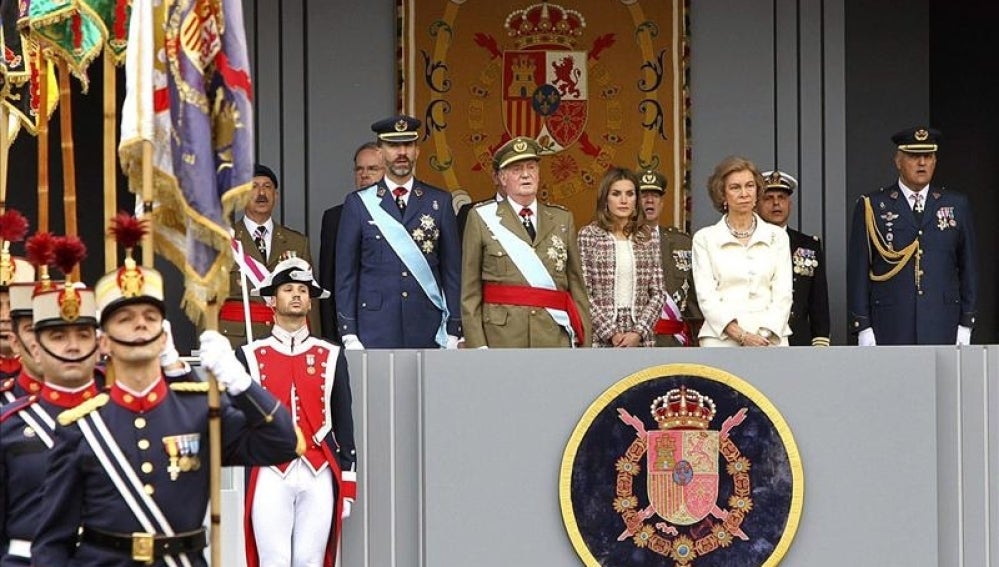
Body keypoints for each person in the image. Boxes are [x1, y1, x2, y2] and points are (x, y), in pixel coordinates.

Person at [30, 237, 300, 566]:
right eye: (125, 318)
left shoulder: (201, 410)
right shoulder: (81, 426)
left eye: (149, 316)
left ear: (164, 336)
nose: (140, 324)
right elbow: (53, 541)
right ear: (104, 342)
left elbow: (283, 443)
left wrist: (239, 381)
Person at [237, 258, 356, 567]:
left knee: (310, 559)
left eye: (302, 290)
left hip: (319, 468)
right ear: (272, 300)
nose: (296, 295)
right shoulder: (250, 355)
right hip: (269, 470)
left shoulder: (330, 354)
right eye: (287, 289)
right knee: (272, 559)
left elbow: (344, 419)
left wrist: (349, 479)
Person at [0, 269, 104, 566]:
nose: (71, 347)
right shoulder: (9, 423)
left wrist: (175, 368)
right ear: (28, 345)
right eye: (56, 336)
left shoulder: (112, 414)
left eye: (83, 335)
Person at [335, 115, 462, 349]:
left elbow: (452, 271)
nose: (401, 152)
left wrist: (454, 328)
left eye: (408, 145)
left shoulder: (439, 201)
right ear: (381, 153)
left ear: (417, 151)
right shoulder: (358, 203)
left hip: (428, 324)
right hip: (375, 326)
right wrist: (348, 332)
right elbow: (346, 275)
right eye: (393, 145)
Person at [848, 127, 977, 345]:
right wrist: (863, 325)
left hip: (943, 321)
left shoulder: (956, 204)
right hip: (890, 323)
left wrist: (966, 322)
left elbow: (969, 268)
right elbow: (858, 270)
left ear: (935, 161)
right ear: (898, 161)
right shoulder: (872, 205)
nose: (922, 163)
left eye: (928, 156)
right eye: (914, 156)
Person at [461, 137, 591, 348]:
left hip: (553, 335)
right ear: (502, 179)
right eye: (516, 169)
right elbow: (470, 291)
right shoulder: (481, 218)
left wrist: (585, 340)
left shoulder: (562, 219)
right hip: (501, 338)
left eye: (531, 167)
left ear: (539, 174)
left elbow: (576, 285)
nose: (525, 174)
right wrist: (478, 346)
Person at [691, 156, 792, 347]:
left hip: (770, 339)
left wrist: (763, 335)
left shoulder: (777, 237)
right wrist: (742, 336)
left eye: (750, 186)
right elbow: (707, 297)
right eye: (735, 187)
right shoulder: (705, 239)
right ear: (722, 194)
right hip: (721, 340)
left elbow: (783, 294)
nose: (744, 193)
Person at [221, 163, 318, 348]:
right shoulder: (224, 240)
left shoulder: (297, 242)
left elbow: (310, 300)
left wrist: (311, 342)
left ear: (276, 196)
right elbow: (207, 300)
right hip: (236, 340)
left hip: (287, 339)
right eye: (254, 187)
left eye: (267, 187)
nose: (261, 193)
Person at [577, 168, 664, 348]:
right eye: (616, 194)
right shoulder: (589, 235)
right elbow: (583, 293)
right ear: (605, 199)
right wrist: (611, 332)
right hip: (600, 335)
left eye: (630, 194)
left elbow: (658, 293)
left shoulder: (648, 237)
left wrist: (638, 332)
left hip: (641, 336)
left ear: (636, 200)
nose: (624, 200)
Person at [318, 142, 385, 344]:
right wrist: (331, 336)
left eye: (373, 169)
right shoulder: (335, 217)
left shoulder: (405, 215)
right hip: (350, 328)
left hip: (390, 323)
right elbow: (328, 282)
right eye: (359, 169)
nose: (364, 174)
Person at [757, 169, 831, 346]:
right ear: (756, 204)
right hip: (758, 336)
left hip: (797, 339)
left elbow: (818, 300)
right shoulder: (747, 242)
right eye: (768, 198)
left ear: (790, 204)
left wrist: (820, 340)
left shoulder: (808, 245)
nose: (776, 204)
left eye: (782, 198)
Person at [637, 169, 702, 346]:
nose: (650, 200)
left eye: (655, 195)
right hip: (638, 340)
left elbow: (694, 298)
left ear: (662, 202)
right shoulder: (622, 242)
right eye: (644, 195)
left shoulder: (683, 242)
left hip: (675, 339)